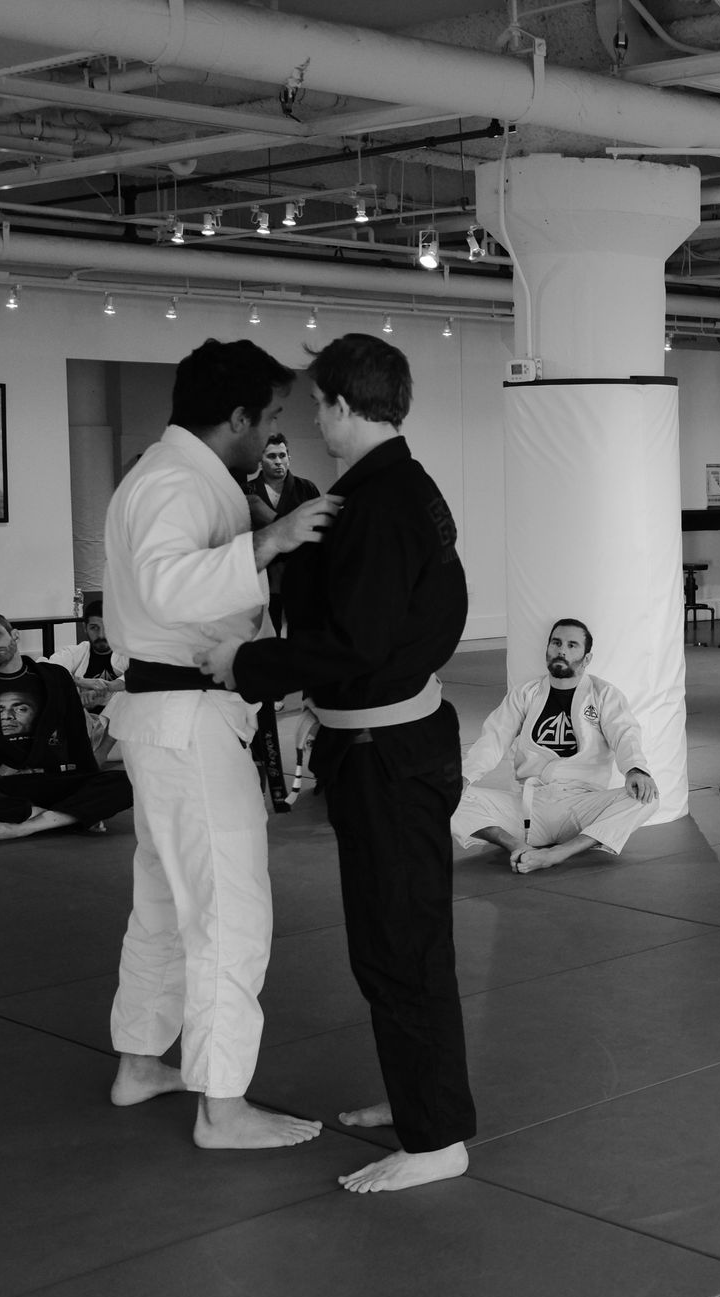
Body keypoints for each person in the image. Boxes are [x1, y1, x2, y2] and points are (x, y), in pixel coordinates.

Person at [202, 334, 472, 1193]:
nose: (314, 420)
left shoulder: (383, 503)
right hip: (388, 744)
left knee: (401, 944)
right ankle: (419, 1095)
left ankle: (437, 1139)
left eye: (320, 404)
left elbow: (357, 642)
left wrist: (246, 665)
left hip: (388, 752)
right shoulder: (394, 488)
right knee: (393, 941)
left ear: (349, 406)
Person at [101, 337, 338, 1152]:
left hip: (172, 718)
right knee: (230, 911)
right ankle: (222, 1105)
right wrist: (268, 543)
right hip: (189, 717)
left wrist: (260, 529)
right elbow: (167, 584)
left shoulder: (176, 476)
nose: (273, 431)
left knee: (166, 904)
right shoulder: (173, 481)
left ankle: (141, 1062)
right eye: (269, 416)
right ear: (236, 416)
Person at [452, 618, 658, 873]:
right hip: (527, 808)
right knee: (438, 793)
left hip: (580, 808)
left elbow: (625, 734)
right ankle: (517, 846)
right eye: (556, 643)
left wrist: (635, 770)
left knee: (647, 799)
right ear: (547, 649)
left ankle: (559, 853)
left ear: (587, 658)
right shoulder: (525, 694)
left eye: (572, 645)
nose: (562, 650)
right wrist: (465, 776)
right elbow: (494, 738)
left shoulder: (604, 694)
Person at [0, 610, 133, 842]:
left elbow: (77, 738)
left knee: (127, 782)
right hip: (2, 785)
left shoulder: (55, 677)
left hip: (57, 779)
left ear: (14, 635)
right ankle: (63, 817)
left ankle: (27, 825)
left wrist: (89, 781)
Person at [243, 433, 323, 631]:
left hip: (299, 568)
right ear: (261, 460)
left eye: (282, 455)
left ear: (289, 458)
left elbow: (318, 529)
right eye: (271, 456)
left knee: (302, 628)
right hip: (263, 572)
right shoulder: (247, 491)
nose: (278, 461)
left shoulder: (306, 488)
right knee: (267, 629)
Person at [47, 598, 126, 761]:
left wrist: (104, 689)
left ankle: (101, 754)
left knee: (131, 693)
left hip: (117, 735)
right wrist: (79, 685)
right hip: (81, 727)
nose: (101, 635)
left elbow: (142, 676)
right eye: (94, 628)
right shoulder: (77, 652)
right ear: (85, 628)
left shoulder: (127, 654)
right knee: (52, 688)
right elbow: (46, 669)